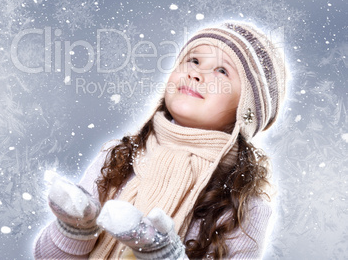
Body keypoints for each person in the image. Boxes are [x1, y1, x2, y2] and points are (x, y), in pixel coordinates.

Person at [33, 22, 287, 259]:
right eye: (194, 60)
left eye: (222, 70)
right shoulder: (117, 158)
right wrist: (74, 228)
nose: (196, 74)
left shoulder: (245, 205)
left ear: (246, 112)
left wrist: (164, 253)